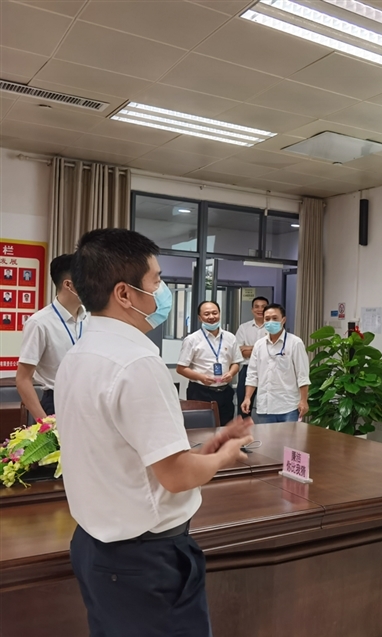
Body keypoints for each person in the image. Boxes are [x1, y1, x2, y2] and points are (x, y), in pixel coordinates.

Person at [54, 228, 252, 637]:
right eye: (157, 280)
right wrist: (223, 457)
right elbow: (175, 477)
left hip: (95, 548)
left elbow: (124, 454)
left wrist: (203, 450)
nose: (162, 292)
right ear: (125, 294)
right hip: (144, 560)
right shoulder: (137, 362)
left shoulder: (78, 355)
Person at [16, 254, 88, 420]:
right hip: (56, 401)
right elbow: (23, 379)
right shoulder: (39, 323)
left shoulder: (92, 318)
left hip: (88, 400)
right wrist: (44, 423)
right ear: (69, 285)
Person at [242, 303, 310, 423]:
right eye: (267, 319)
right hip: (265, 406)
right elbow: (252, 374)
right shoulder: (259, 345)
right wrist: (247, 398)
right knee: (265, 436)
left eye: (275, 318)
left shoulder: (295, 343)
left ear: (283, 320)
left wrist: (303, 400)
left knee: (289, 436)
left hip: (289, 406)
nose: (270, 322)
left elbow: (302, 375)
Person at [177, 301, 243, 424]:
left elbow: (236, 363)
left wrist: (231, 373)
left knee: (225, 428)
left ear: (219, 314)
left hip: (224, 391)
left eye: (215, 313)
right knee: (201, 429)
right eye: (207, 314)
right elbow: (181, 368)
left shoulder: (230, 338)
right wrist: (201, 377)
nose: (211, 317)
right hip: (200, 392)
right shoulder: (192, 339)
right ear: (200, 317)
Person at [234, 295, 269, 417]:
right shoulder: (244, 327)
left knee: (267, 404)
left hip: (268, 369)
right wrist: (261, 349)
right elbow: (239, 351)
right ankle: (244, 426)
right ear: (252, 309)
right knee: (243, 403)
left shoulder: (273, 328)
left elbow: (271, 351)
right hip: (247, 369)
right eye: (256, 307)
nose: (260, 309)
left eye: (263, 307)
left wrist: (248, 348)